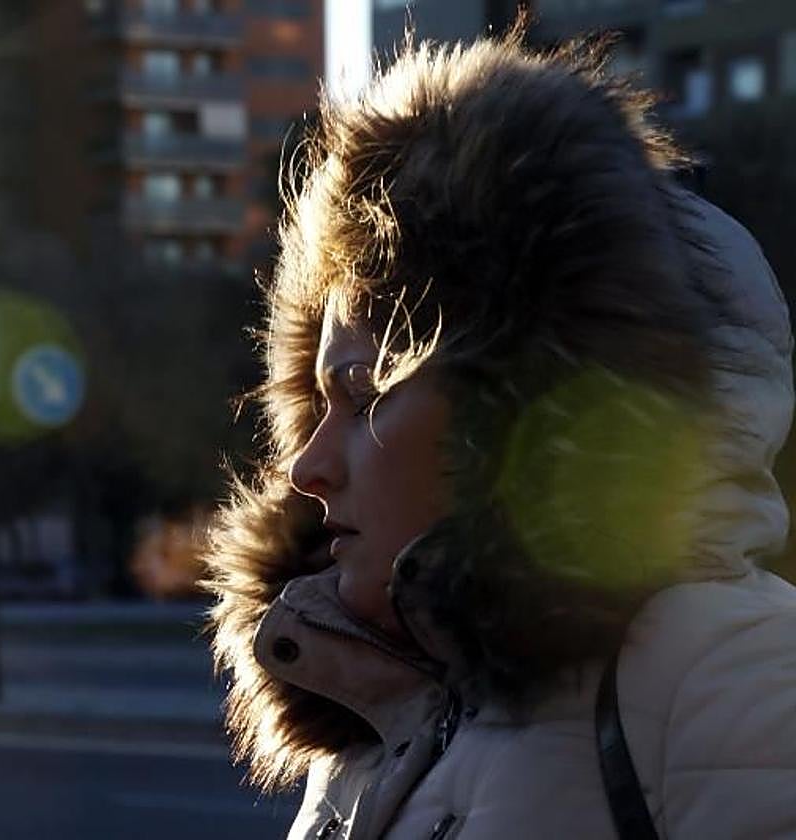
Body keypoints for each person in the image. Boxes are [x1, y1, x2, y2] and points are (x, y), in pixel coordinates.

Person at [203, 26, 796, 840]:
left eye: (362, 391)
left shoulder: (733, 678)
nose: (305, 467)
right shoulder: (370, 725)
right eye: (316, 404)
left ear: (516, 399)